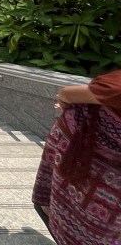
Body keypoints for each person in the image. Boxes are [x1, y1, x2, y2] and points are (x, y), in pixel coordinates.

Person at [31, 69, 121, 245]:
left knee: (52, 207)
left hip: (76, 161)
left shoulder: (114, 88)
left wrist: (71, 108)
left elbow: (66, 94)